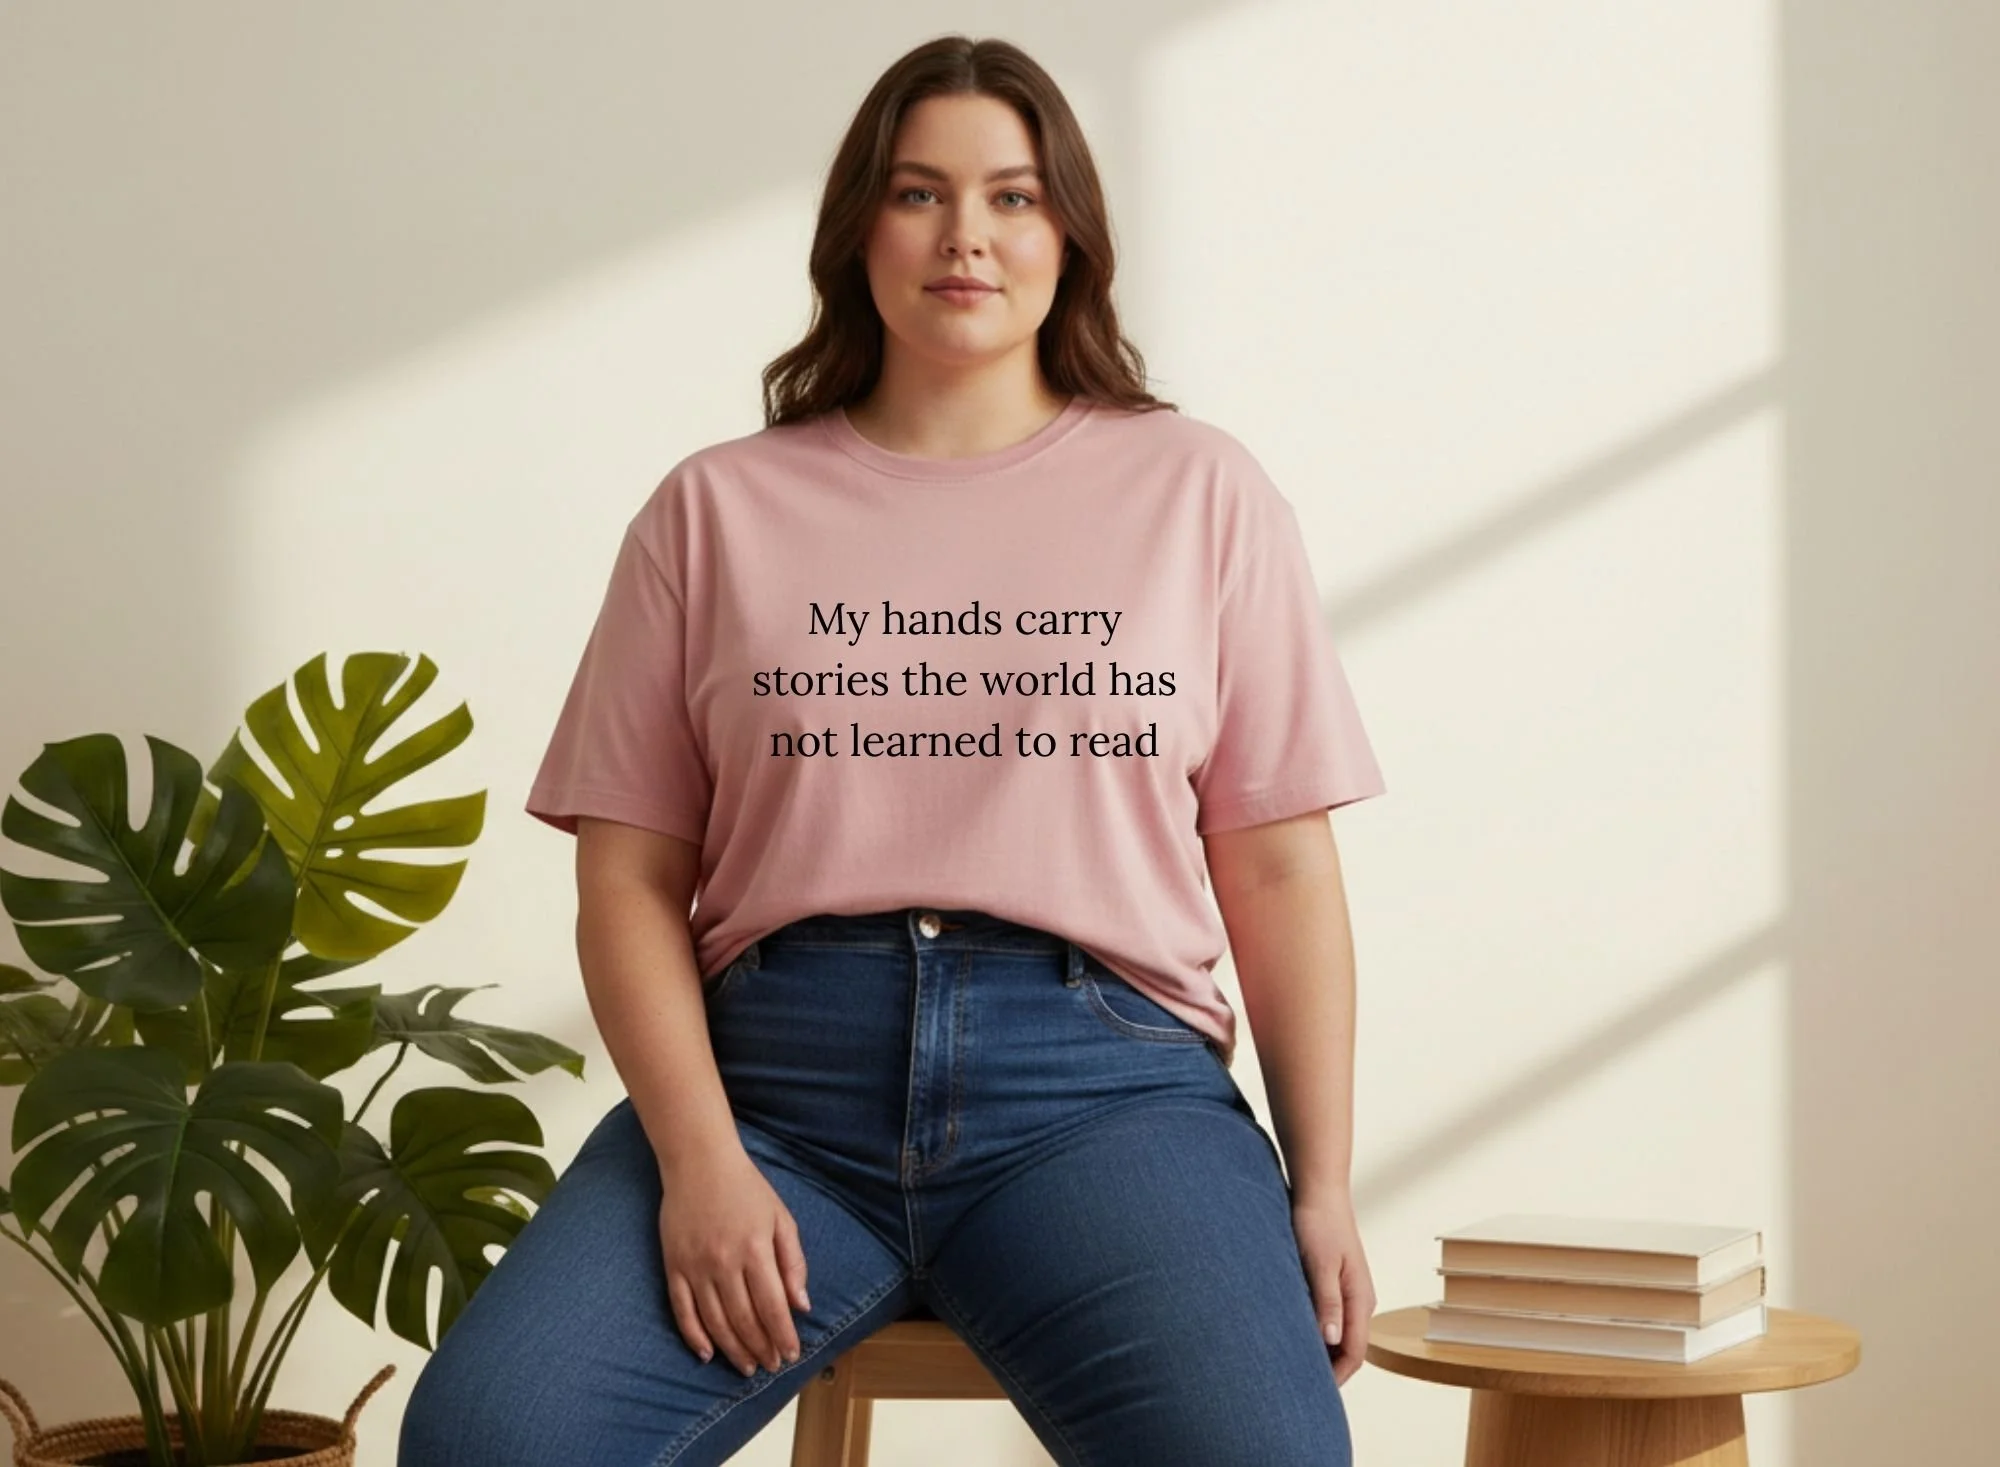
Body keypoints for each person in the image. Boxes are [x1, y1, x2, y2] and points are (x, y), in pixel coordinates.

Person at [399, 33, 1385, 1467]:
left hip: (1103, 1095)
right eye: (920, 193)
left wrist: (1323, 1181)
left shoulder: (1201, 493)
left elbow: (1282, 866)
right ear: (859, 228)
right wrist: (700, 1160)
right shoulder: (713, 512)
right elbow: (627, 881)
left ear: (1070, 236)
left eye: (1014, 196)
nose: (966, 235)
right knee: (492, 1440)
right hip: (772, 1092)